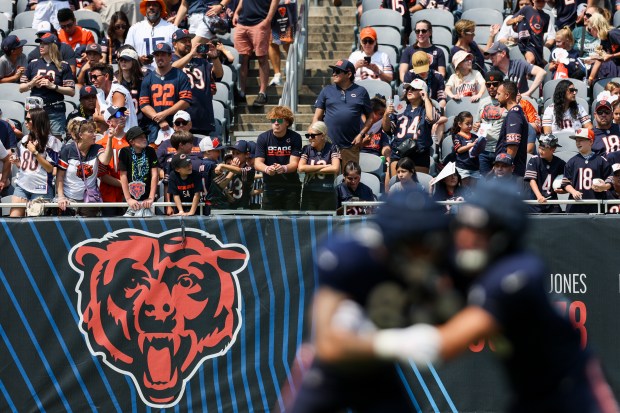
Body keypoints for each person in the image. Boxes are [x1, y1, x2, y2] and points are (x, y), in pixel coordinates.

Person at [369, 180, 620, 413]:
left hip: (576, 398)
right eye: (462, 226)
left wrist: (368, 340)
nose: (463, 237)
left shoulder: (518, 273)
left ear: (501, 235)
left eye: (475, 229)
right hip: (530, 392)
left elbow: (443, 345)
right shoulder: (473, 265)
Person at [291, 188, 451, 413]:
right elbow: (327, 344)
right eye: (420, 243)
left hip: (377, 369)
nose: (429, 251)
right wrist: (396, 343)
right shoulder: (352, 256)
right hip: (332, 370)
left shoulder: (441, 258)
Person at [313, 59, 373, 171]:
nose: (334, 73)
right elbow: (317, 118)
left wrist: (361, 134)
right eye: (333, 71)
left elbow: (371, 117)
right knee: (328, 181)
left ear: (349, 74)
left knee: (350, 180)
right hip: (327, 146)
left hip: (350, 146)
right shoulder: (326, 90)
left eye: (338, 71)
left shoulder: (361, 91)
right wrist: (315, 137)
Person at [19, 33, 76, 139]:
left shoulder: (63, 65)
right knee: (34, 139)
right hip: (35, 109)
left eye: (44, 44)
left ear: (53, 46)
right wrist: (32, 83)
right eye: (40, 43)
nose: (41, 46)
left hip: (55, 109)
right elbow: (21, 88)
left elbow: (71, 91)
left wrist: (53, 86)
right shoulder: (33, 64)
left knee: (56, 142)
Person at [9, 108, 62, 217]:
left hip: (41, 188)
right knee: (14, 220)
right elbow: (26, 167)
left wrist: (35, 152)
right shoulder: (24, 139)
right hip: (22, 185)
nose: (25, 122)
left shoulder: (52, 141)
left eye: (28, 119)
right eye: (25, 119)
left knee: (35, 225)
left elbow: (50, 169)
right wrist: (17, 162)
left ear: (38, 121)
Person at [56, 118, 114, 217]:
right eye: (90, 132)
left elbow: (105, 160)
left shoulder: (96, 148)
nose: (95, 135)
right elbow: (60, 176)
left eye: (94, 131)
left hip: (89, 200)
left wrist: (110, 139)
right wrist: (61, 197)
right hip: (69, 199)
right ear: (81, 135)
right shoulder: (67, 150)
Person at [171, 28, 222, 136]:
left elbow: (218, 75)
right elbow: (170, 70)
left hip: (202, 117)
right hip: (180, 120)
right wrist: (190, 55)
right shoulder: (171, 60)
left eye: (189, 41)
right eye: (183, 41)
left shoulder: (201, 62)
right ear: (174, 44)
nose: (188, 44)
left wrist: (215, 57)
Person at [139, 42, 192, 143]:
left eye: (163, 54)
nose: (159, 58)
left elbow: (185, 101)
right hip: (154, 125)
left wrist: (165, 114)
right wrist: (160, 119)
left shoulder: (180, 75)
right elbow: (144, 104)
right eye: (157, 55)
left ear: (170, 56)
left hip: (178, 124)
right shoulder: (148, 78)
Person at [383, 78, 438, 175]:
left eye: (413, 89)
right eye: (408, 88)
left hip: (419, 152)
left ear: (422, 92)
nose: (409, 90)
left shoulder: (427, 108)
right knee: (397, 186)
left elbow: (432, 118)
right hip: (399, 151)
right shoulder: (399, 108)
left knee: (418, 187)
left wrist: (426, 98)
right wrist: (386, 114)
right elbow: (387, 129)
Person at [254, 105, 302, 210]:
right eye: (273, 120)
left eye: (279, 120)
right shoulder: (263, 138)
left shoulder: (295, 137)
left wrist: (283, 168)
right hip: (270, 186)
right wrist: (267, 169)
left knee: (291, 223)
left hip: (291, 186)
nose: (276, 123)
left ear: (287, 123)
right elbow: (257, 163)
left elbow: (294, 164)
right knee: (269, 222)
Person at [232, 0, 279, 106]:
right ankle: (242, 92)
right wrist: (237, 12)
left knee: (261, 58)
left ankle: (262, 93)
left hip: (260, 22)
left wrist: (268, 20)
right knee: (241, 58)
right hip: (242, 23)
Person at [561, 128, 611, 214]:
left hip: (596, 204)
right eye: (576, 140)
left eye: (581, 140)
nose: (578, 143)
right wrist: (573, 191)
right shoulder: (571, 161)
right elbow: (565, 183)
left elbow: (610, 180)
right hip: (576, 205)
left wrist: (603, 187)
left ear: (591, 142)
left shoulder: (601, 161)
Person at [298, 121, 341, 211]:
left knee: (327, 223)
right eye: (308, 135)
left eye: (313, 135)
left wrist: (310, 169)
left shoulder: (332, 148)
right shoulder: (307, 149)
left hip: (327, 192)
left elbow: (335, 168)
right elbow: (301, 168)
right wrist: (325, 166)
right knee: (308, 222)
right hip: (309, 192)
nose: (310, 138)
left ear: (323, 135)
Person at [96, 106, 129, 217]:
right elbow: (102, 175)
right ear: (109, 121)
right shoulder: (101, 143)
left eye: (123, 114)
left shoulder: (133, 139)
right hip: (109, 195)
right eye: (118, 115)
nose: (122, 117)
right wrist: (125, 186)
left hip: (132, 194)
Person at [118, 126, 159, 217]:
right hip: (131, 199)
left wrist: (151, 197)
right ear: (131, 141)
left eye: (145, 137)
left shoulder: (150, 151)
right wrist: (128, 199)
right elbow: (123, 176)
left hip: (148, 199)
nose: (144, 139)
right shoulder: (125, 152)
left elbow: (155, 175)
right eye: (141, 137)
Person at [125, 0, 178, 68]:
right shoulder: (134, 29)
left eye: (155, 5)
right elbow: (127, 52)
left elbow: (177, 54)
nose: (151, 7)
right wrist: (139, 59)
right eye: (148, 5)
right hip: (141, 74)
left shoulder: (172, 28)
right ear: (145, 8)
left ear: (161, 8)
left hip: (166, 74)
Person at [473, 70, 506, 176]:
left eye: (495, 84)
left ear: (501, 84)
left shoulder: (506, 101)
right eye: (488, 84)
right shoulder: (483, 102)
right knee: (484, 181)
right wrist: (476, 125)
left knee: (501, 181)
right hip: (484, 150)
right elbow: (477, 122)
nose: (491, 87)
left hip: (501, 148)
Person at [495, 80, 530, 177]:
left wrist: (504, 168)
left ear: (507, 95)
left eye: (499, 94)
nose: (496, 97)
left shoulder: (514, 115)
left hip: (511, 174)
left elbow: (512, 146)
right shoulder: (515, 113)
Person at [524, 134, 566, 213]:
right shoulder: (534, 160)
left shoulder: (560, 163)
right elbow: (531, 180)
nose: (540, 151)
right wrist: (539, 196)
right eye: (539, 148)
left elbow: (567, 181)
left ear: (553, 150)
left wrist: (563, 191)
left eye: (543, 149)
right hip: (535, 201)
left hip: (552, 202)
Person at [506, 0, 553, 66]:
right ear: (533, 1)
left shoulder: (546, 16)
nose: (541, 3)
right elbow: (508, 22)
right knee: (531, 60)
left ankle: (526, 75)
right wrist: (516, 19)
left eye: (543, 2)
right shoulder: (526, 9)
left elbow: (541, 34)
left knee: (542, 65)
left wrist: (541, 50)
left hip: (538, 45)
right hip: (526, 42)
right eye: (538, 1)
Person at [216, 140, 256, 209]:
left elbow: (239, 170)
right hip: (230, 207)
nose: (235, 156)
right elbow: (221, 185)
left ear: (247, 155)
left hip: (244, 207)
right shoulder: (231, 169)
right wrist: (231, 169)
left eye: (238, 153)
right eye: (233, 153)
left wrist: (222, 165)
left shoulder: (250, 169)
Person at [267, 0, 296, 86]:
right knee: (272, 42)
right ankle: (277, 75)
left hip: (287, 6)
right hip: (270, 7)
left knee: (288, 42)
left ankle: (293, 69)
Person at [586, 13, 620, 83]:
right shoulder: (604, 38)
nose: (589, 32)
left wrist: (611, 56)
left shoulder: (613, 34)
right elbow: (599, 60)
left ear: (595, 27)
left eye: (589, 29)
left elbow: (610, 56)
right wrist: (590, 79)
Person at [114, 48, 145, 126]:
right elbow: (110, 108)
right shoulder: (115, 83)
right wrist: (119, 113)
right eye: (121, 60)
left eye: (127, 60)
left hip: (140, 123)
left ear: (134, 62)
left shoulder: (142, 81)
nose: (123, 62)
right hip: (123, 124)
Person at [452, 111, 483, 185]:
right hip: (463, 167)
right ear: (459, 124)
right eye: (467, 124)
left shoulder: (475, 137)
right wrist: (471, 145)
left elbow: (479, 151)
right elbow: (459, 150)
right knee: (464, 190)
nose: (470, 126)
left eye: (471, 123)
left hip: (475, 167)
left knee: (474, 191)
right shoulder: (457, 136)